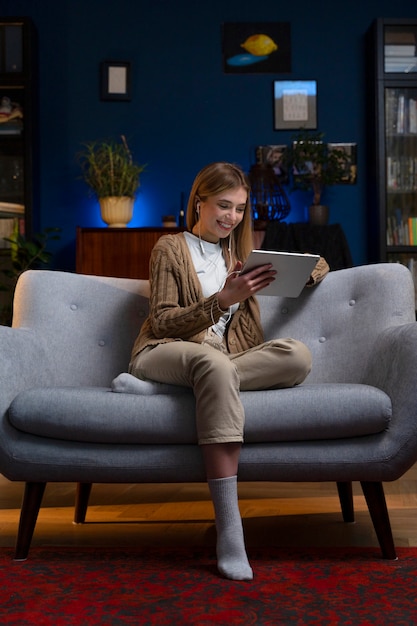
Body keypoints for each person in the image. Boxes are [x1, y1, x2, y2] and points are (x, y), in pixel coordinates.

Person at [129, 162, 329, 581]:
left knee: (296, 355)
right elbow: (163, 321)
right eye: (222, 205)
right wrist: (222, 300)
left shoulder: (235, 257)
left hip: (222, 361)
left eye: (239, 208)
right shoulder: (170, 247)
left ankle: (168, 389)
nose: (231, 217)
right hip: (166, 349)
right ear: (198, 201)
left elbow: (320, 265)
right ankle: (231, 531)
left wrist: (288, 271)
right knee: (211, 363)